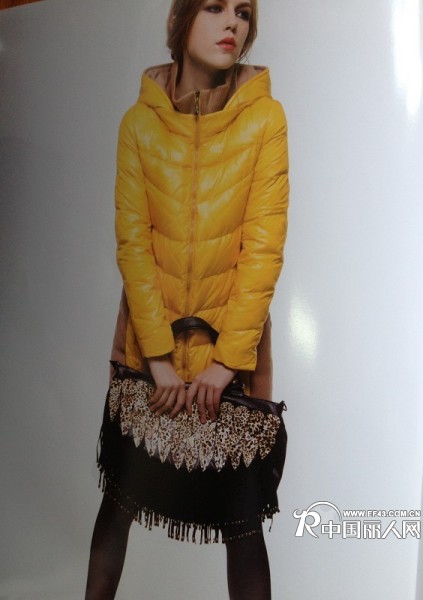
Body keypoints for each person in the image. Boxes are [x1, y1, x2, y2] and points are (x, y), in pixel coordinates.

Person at [85, 0, 289, 598]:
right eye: (215, 7)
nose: (233, 24)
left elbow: (264, 250)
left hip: (234, 358)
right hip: (148, 354)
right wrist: (157, 358)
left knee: (243, 526)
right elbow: (134, 246)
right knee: (118, 504)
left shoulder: (266, 120)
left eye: (243, 12)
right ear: (181, 20)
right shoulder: (138, 125)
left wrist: (227, 361)